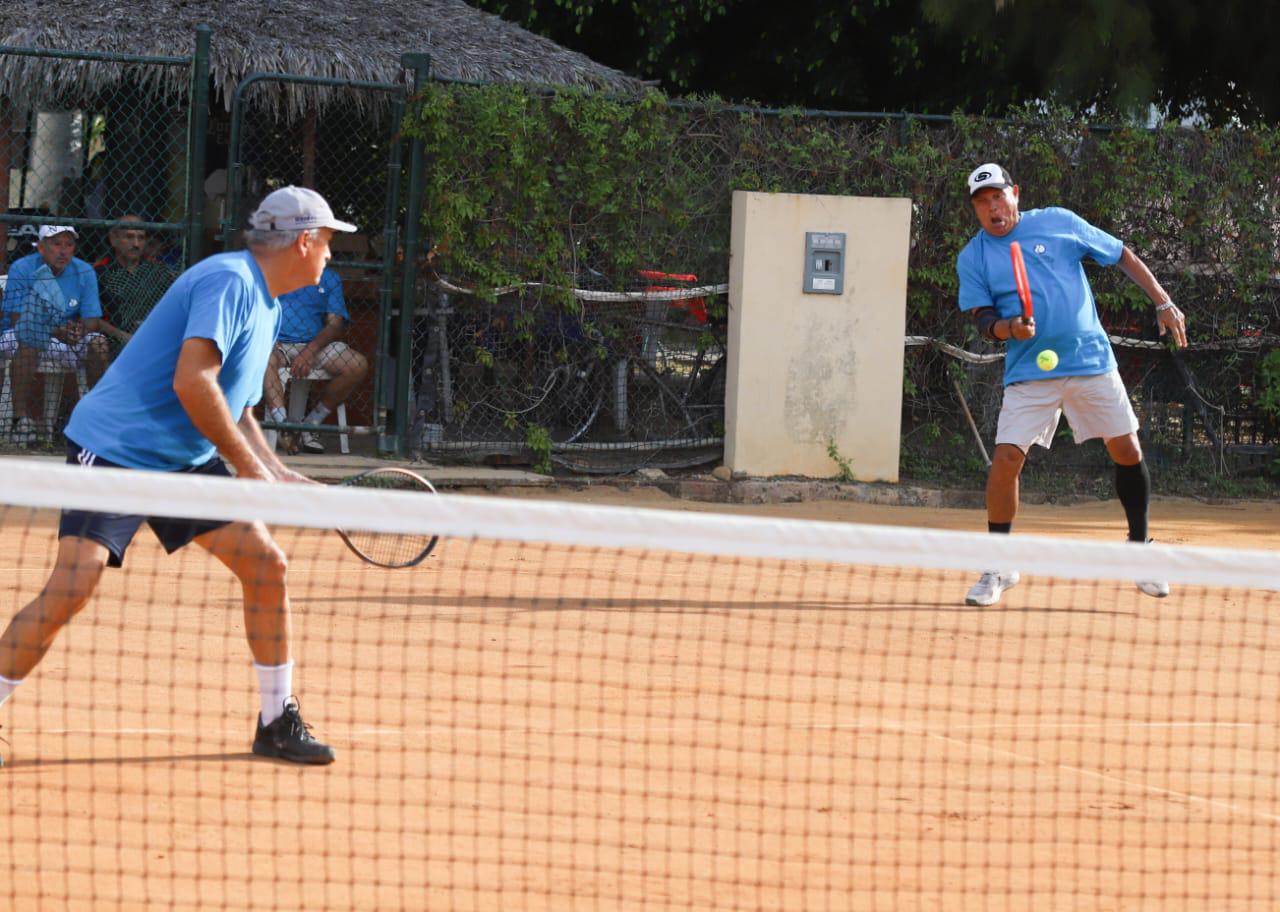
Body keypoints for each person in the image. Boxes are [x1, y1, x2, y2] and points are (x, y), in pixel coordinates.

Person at [0, 186, 358, 767]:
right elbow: (193, 383)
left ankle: (275, 721)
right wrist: (246, 471)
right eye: (327, 243)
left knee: (265, 564)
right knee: (73, 585)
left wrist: (278, 472)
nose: (330, 255)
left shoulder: (266, 299)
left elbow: (237, 405)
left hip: (183, 459)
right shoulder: (230, 281)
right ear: (302, 241)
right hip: (117, 449)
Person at [956, 163, 1188, 607]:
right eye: (982, 202)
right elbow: (983, 320)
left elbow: (1120, 253)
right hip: (1029, 372)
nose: (992, 208)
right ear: (976, 210)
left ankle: (1140, 550)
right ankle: (998, 564)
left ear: (1015, 195)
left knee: (1127, 451)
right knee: (1005, 459)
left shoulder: (1059, 223)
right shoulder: (974, 257)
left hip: (1089, 360)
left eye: (998, 197)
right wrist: (1008, 328)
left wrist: (1164, 302)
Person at [0, 225, 119, 446]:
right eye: (56, 244)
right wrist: (56, 331)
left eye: (69, 244)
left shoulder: (84, 270)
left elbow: (91, 320)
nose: (63, 251)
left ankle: (96, 418)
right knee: (30, 338)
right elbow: (17, 319)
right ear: (42, 247)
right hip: (20, 334)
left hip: (66, 337)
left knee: (99, 344)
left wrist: (78, 331)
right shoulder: (22, 267)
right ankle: (20, 419)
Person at [263, 265, 368, 454]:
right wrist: (268, 336)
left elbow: (335, 324)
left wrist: (310, 351)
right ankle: (284, 426)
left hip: (315, 345)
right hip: (276, 344)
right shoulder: (273, 268)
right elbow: (256, 311)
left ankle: (311, 424)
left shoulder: (329, 277)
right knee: (263, 359)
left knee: (357, 365)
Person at [93, 214, 178, 340]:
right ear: (113, 239)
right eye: (129, 237)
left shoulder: (159, 271)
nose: (136, 244)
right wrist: (123, 337)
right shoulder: (98, 273)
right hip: (113, 339)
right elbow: (91, 317)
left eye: (141, 238)